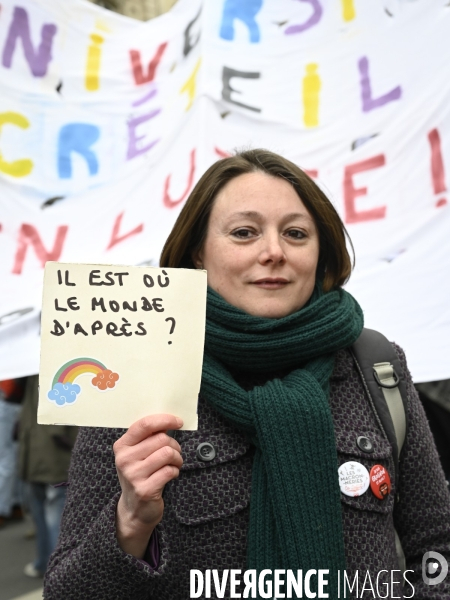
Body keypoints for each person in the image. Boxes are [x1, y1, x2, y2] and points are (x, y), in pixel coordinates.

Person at [44, 149, 450, 599]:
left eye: (295, 233)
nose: (273, 252)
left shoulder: (376, 366)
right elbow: (67, 592)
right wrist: (130, 522)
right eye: (244, 233)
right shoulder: (136, 375)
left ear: (321, 252)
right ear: (198, 253)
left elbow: (436, 546)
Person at [18, 375, 78, 577]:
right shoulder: (51, 370)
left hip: (33, 455)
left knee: (42, 515)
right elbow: (57, 429)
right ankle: (59, 571)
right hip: (54, 458)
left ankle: (44, 563)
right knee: (55, 517)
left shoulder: (29, 372)